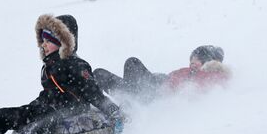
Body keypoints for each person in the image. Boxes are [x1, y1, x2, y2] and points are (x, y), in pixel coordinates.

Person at [94, 45, 230, 98]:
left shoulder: (211, 76)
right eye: (191, 59)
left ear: (207, 62)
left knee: (132, 62)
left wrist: (214, 65)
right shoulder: (189, 73)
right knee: (99, 74)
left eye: (197, 59)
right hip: (155, 84)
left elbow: (222, 79)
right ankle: (116, 103)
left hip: (156, 92)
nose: (192, 62)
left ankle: (131, 103)